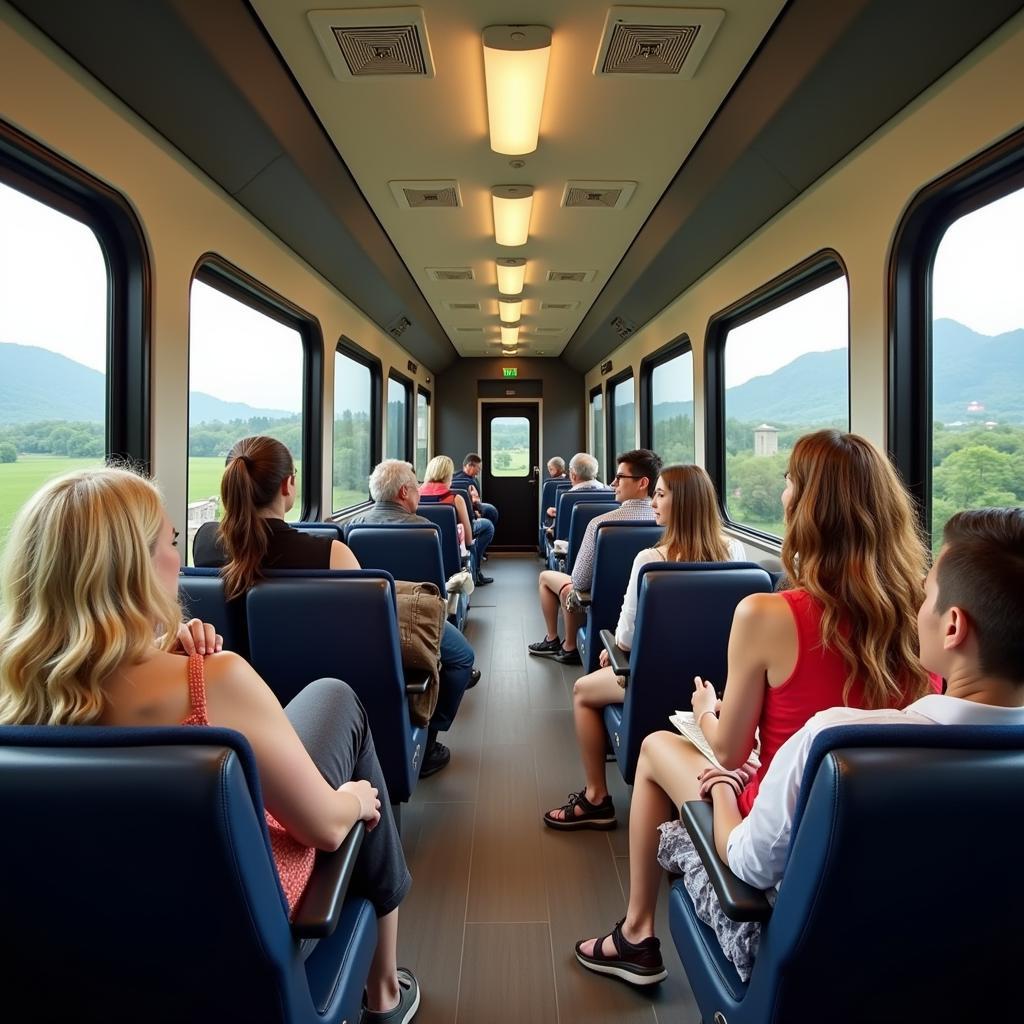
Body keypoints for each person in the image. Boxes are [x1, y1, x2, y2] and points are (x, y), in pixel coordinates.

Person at [0, 468, 420, 1023]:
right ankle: (384, 991)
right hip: (239, 928)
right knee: (339, 706)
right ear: (136, 572)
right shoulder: (212, 681)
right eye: (171, 543)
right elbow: (323, 827)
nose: (179, 557)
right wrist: (357, 799)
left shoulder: (18, 697)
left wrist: (147, 646)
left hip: (73, 955)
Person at [574, 430, 940, 987]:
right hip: (896, 830)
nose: (785, 492)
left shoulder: (767, 614)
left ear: (804, 505)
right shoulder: (928, 612)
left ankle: (636, 933)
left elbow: (728, 750)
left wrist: (703, 710)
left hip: (790, 823)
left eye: (789, 482)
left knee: (653, 747)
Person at [674, 506, 1024, 981]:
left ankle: (636, 937)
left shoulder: (836, 739)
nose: (918, 608)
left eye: (927, 597)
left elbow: (751, 866)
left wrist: (720, 789)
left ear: (953, 626)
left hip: (829, 965)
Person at [195, 438, 474, 780]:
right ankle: (423, 748)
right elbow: (365, 644)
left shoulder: (205, 546)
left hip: (238, 714)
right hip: (327, 708)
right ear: (288, 484)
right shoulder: (332, 554)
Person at [544, 465, 746, 830]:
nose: (653, 501)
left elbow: (623, 639)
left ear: (680, 504)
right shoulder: (737, 553)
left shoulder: (651, 561)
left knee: (582, 691)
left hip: (654, 683)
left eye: (661, 495)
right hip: (717, 688)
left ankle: (596, 798)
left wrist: (613, 651)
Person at [529, 449, 661, 666]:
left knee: (547, 578)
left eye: (620, 477)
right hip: (649, 615)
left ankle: (555, 640)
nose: (613, 483)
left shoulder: (601, 525)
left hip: (601, 603)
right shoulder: (668, 525)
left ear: (642, 483)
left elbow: (579, 581)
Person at [422, 455, 494, 586]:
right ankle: (476, 570)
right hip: (451, 558)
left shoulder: (415, 496)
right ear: (449, 474)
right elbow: (467, 539)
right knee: (488, 526)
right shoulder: (456, 499)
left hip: (422, 557)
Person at [544, 452, 609, 524]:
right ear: (595, 473)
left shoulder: (566, 498)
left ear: (573, 475)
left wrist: (551, 514)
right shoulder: (611, 492)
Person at [452, 453, 499, 531]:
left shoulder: (453, 476)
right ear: (470, 466)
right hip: (470, 510)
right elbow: (475, 503)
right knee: (491, 510)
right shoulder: (470, 483)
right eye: (478, 468)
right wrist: (477, 513)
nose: (479, 471)